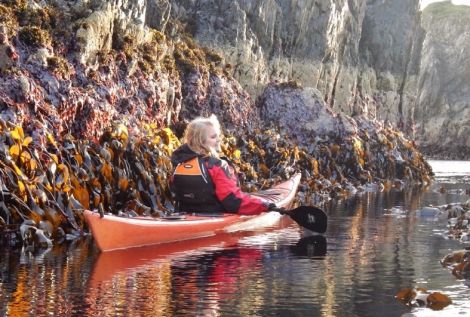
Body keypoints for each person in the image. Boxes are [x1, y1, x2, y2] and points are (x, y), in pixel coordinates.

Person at [170, 115, 275, 215]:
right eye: (213, 137)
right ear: (200, 141)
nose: (218, 140)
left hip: (184, 216)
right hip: (214, 218)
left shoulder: (179, 164)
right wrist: (265, 205)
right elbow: (233, 201)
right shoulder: (216, 166)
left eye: (218, 136)